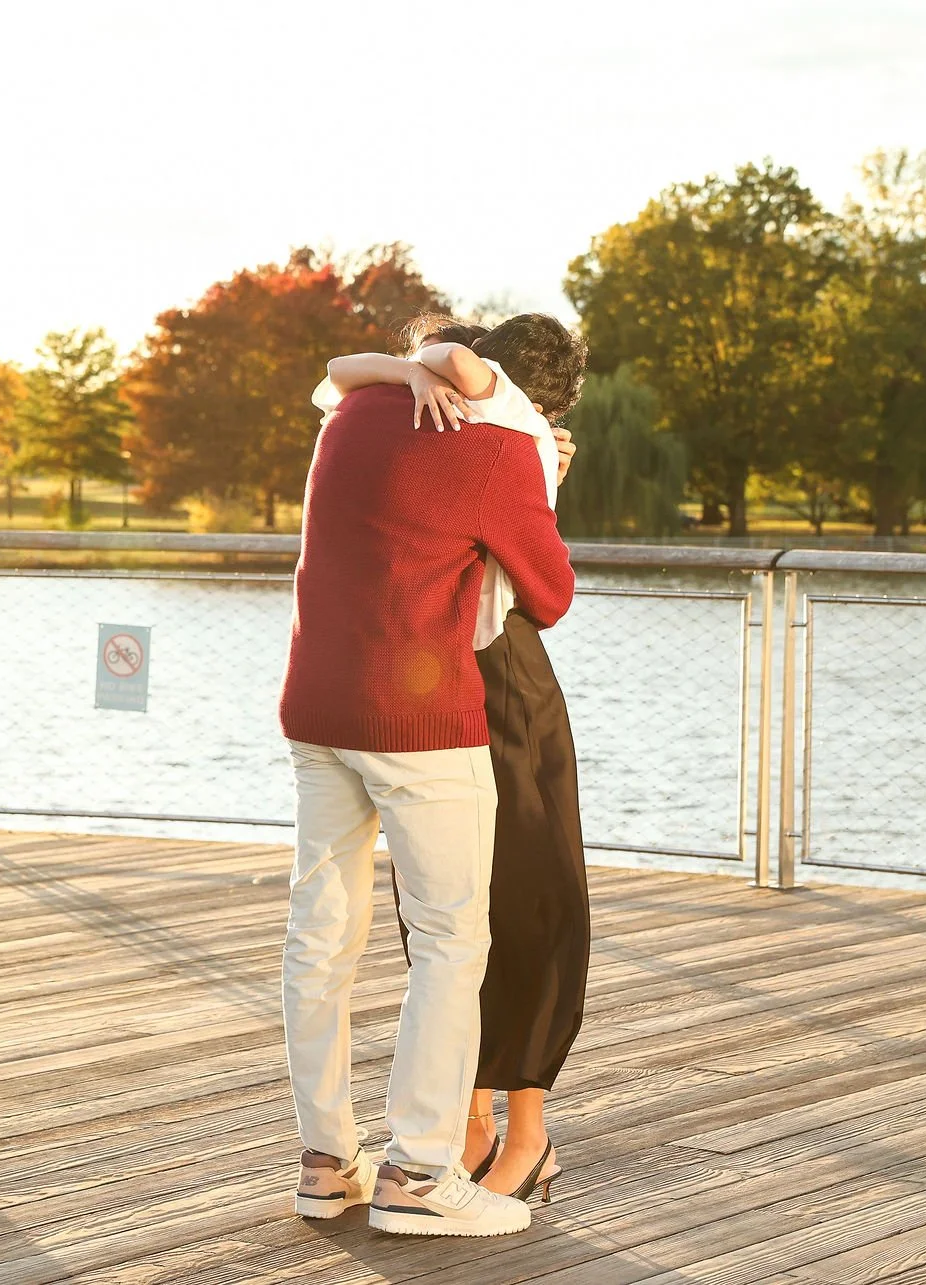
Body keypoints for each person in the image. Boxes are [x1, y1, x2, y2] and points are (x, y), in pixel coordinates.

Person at [279, 328, 575, 1238]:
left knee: (321, 934)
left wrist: (409, 365)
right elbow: (550, 594)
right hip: (419, 721)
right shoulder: (498, 444)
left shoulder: (354, 414)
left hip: (319, 704)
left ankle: (328, 1162)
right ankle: (419, 1170)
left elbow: (335, 370)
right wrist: (542, 481)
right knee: (452, 937)